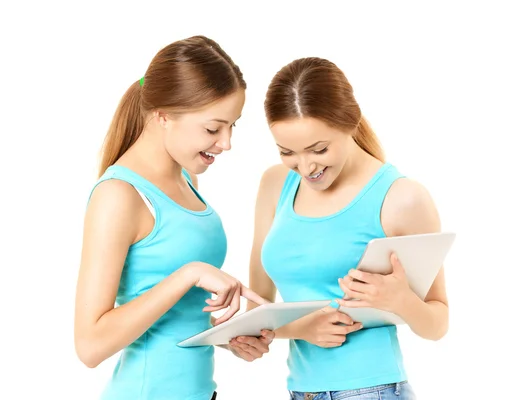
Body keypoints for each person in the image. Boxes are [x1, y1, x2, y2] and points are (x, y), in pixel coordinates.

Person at [73, 35, 273, 400]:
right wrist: (189, 274)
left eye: (233, 126)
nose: (226, 142)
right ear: (163, 115)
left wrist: (226, 336)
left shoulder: (186, 178)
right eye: (213, 128)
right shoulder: (119, 196)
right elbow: (90, 346)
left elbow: (174, 320)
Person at [247, 57, 449, 400]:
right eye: (287, 152)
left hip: (373, 390)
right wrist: (292, 330)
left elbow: (438, 323)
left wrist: (400, 300)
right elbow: (259, 312)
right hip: (302, 391)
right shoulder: (275, 184)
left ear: (350, 122)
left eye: (319, 149)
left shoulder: (401, 198)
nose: (306, 167)